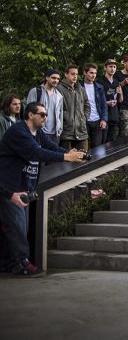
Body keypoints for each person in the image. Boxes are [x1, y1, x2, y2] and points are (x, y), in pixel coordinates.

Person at [0, 102, 85, 276]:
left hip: (25, 187)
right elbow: (37, 153)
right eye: (42, 114)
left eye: (46, 114)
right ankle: (21, 264)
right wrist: (67, 157)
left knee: (18, 227)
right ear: (30, 115)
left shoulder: (38, 133)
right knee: (17, 228)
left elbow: (51, 147)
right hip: (11, 188)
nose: (46, 117)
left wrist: (71, 154)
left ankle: (8, 262)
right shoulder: (19, 131)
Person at [57, 64, 90, 151]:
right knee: (67, 162)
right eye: (72, 74)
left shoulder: (80, 88)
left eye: (76, 74)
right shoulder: (59, 89)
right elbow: (56, 110)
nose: (75, 76)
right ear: (66, 74)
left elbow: (87, 105)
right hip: (66, 132)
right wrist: (64, 121)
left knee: (83, 159)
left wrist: (84, 118)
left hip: (81, 131)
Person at [26, 69, 63, 143]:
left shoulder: (59, 96)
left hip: (54, 135)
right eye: (53, 78)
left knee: (53, 154)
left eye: (58, 79)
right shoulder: (36, 91)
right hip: (38, 132)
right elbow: (28, 111)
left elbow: (60, 114)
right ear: (47, 77)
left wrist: (59, 130)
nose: (56, 80)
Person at [81, 63, 108, 148]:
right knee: (83, 148)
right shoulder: (78, 87)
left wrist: (104, 119)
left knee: (97, 148)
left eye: (95, 73)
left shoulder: (99, 87)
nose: (93, 75)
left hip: (97, 120)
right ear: (85, 73)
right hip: (84, 121)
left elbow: (104, 105)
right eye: (91, 73)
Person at [96, 59, 123, 143]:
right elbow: (95, 101)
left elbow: (120, 101)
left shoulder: (116, 82)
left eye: (114, 67)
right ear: (105, 68)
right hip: (103, 118)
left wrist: (120, 93)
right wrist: (107, 103)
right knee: (102, 143)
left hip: (114, 117)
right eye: (110, 66)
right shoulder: (99, 81)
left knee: (112, 144)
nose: (112, 69)